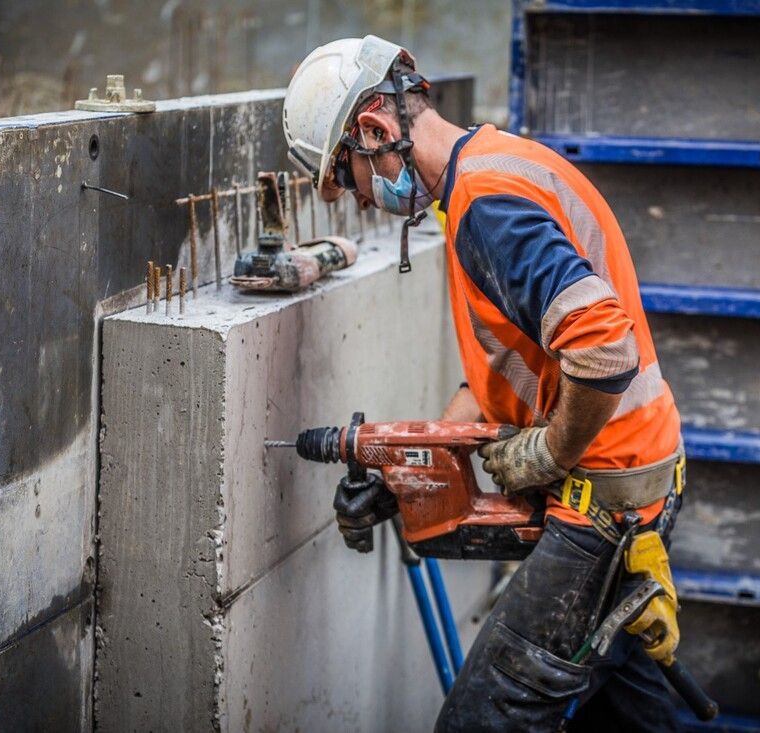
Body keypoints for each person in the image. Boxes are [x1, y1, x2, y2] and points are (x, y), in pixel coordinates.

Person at [283, 35, 686, 732]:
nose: (360, 198)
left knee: (482, 720)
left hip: (602, 500)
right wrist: (414, 469)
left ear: (376, 131)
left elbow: (602, 347)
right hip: (635, 478)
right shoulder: (492, 169)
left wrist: (549, 454)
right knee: (625, 712)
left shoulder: (486, 205)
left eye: (348, 177)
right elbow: (498, 377)